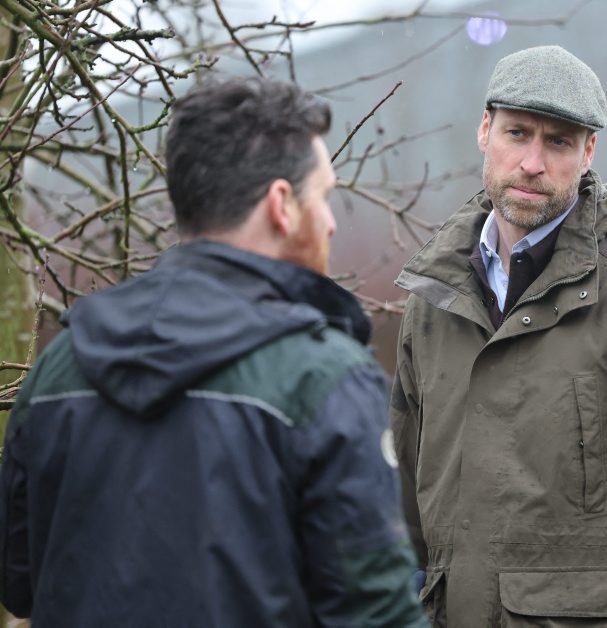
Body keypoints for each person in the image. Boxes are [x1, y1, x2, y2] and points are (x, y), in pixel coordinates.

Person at [0, 78, 427, 627]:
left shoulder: (60, 367)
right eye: (322, 196)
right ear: (281, 204)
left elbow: (18, 579)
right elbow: (376, 615)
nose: (330, 222)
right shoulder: (323, 380)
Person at [391, 45, 607, 626]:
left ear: (589, 152)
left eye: (558, 142)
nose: (532, 163)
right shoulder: (433, 298)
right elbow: (404, 511)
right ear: (484, 130)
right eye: (517, 133)